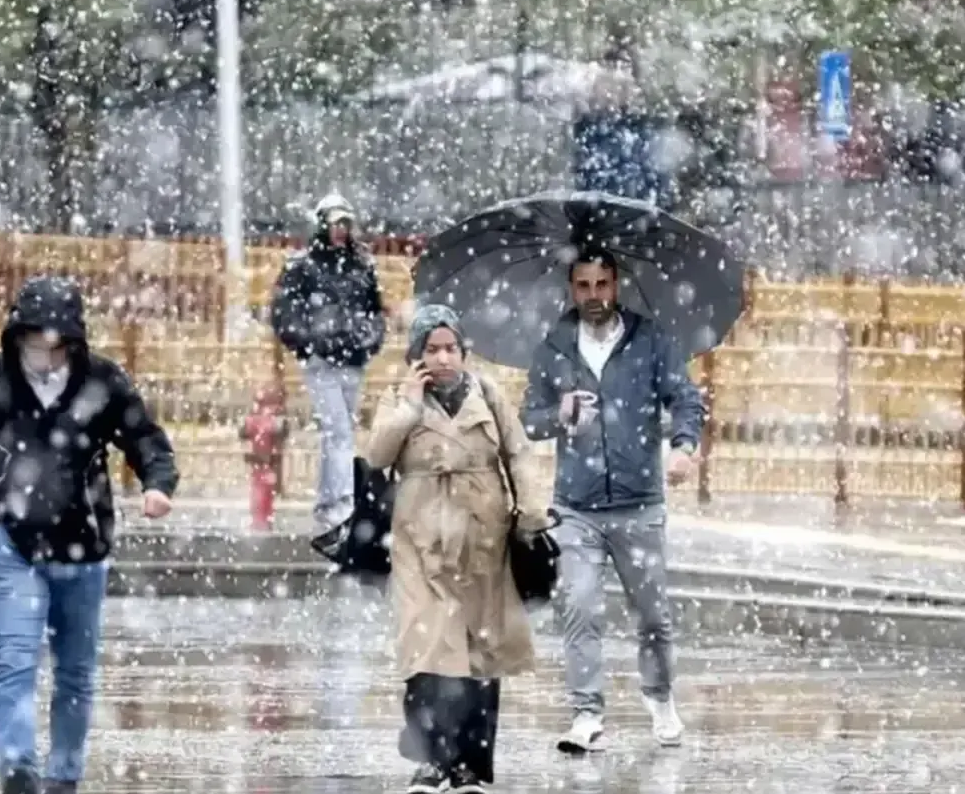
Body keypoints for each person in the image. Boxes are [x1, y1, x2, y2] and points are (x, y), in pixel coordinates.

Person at [0, 275, 179, 794]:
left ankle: (63, 775)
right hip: (12, 542)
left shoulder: (102, 382)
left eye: (54, 345)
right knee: (14, 659)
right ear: (17, 337)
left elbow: (146, 440)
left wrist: (158, 485)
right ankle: (17, 769)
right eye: (33, 343)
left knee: (74, 670)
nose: (44, 356)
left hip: (83, 543)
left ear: (72, 342)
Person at [519, 248, 707, 753]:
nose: (594, 296)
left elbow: (685, 398)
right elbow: (528, 420)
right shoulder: (555, 346)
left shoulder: (649, 339)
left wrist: (683, 446)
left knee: (653, 615)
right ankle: (586, 714)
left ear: (617, 284)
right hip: (576, 507)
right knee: (579, 607)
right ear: (571, 288)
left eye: (602, 284)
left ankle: (660, 697)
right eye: (584, 285)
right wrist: (558, 413)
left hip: (639, 503)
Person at [363, 304, 546, 794]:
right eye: (432, 349)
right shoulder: (398, 397)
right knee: (424, 648)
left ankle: (471, 764)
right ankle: (431, 759)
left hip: (483, 538)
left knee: (481, 651)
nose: (443, 358)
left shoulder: (488, 394)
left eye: (451, 348)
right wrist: (408, 409)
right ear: (417, 354)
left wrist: (531, 510)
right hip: (419, 540)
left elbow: (518, 453)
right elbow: (377, 455)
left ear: (463, 351)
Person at [270, 193, 386, 543]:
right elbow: (284, 313)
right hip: (321, 362)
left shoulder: (361, 265)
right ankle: (342, 505)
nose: (341, 230)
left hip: (353, 361)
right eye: (335, 223)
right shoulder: (302, 266)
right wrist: (310, 343)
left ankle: (327, 503)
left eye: (345, 223)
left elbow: (375, 311)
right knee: (340, 432)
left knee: (338, 431)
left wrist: (368, 342)